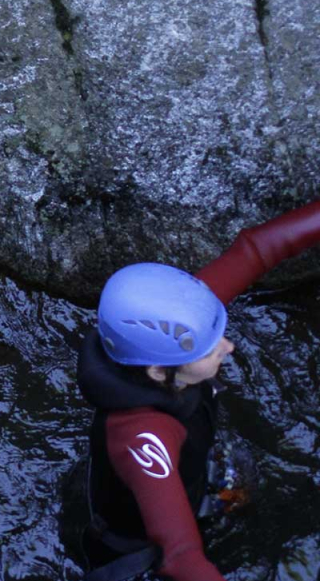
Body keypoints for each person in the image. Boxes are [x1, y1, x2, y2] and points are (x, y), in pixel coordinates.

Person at [76, 198, 320, 581]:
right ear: (159, 372)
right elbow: (180, 554)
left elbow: (257, 249)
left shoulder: (183, 324)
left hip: (191, 474)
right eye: (211, 349)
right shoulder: (141, 435)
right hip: (133, 551)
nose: (227, 347)